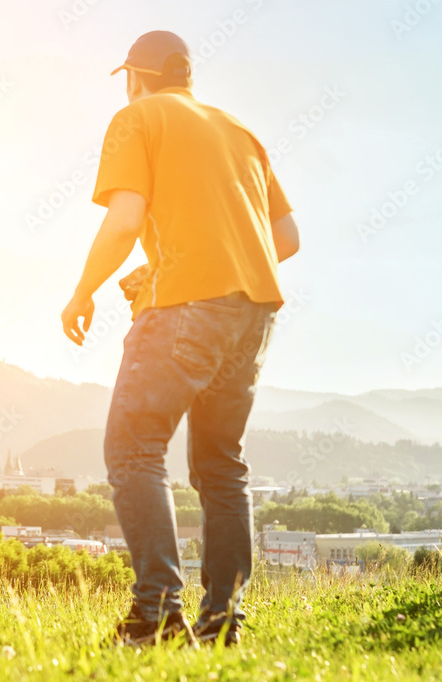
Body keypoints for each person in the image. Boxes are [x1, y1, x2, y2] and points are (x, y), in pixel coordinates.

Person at [61, 30, 300, 647]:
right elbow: (288, 237)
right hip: (255, 310)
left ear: (136, 76)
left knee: (133, 448)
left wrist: (82, 291)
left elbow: (125, 220)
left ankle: (158, 617)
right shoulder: (239, 131)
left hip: (186, 309)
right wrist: (184, 263)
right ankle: (224, 622)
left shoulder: (136, 117)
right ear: (187, 76)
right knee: (222, 466)